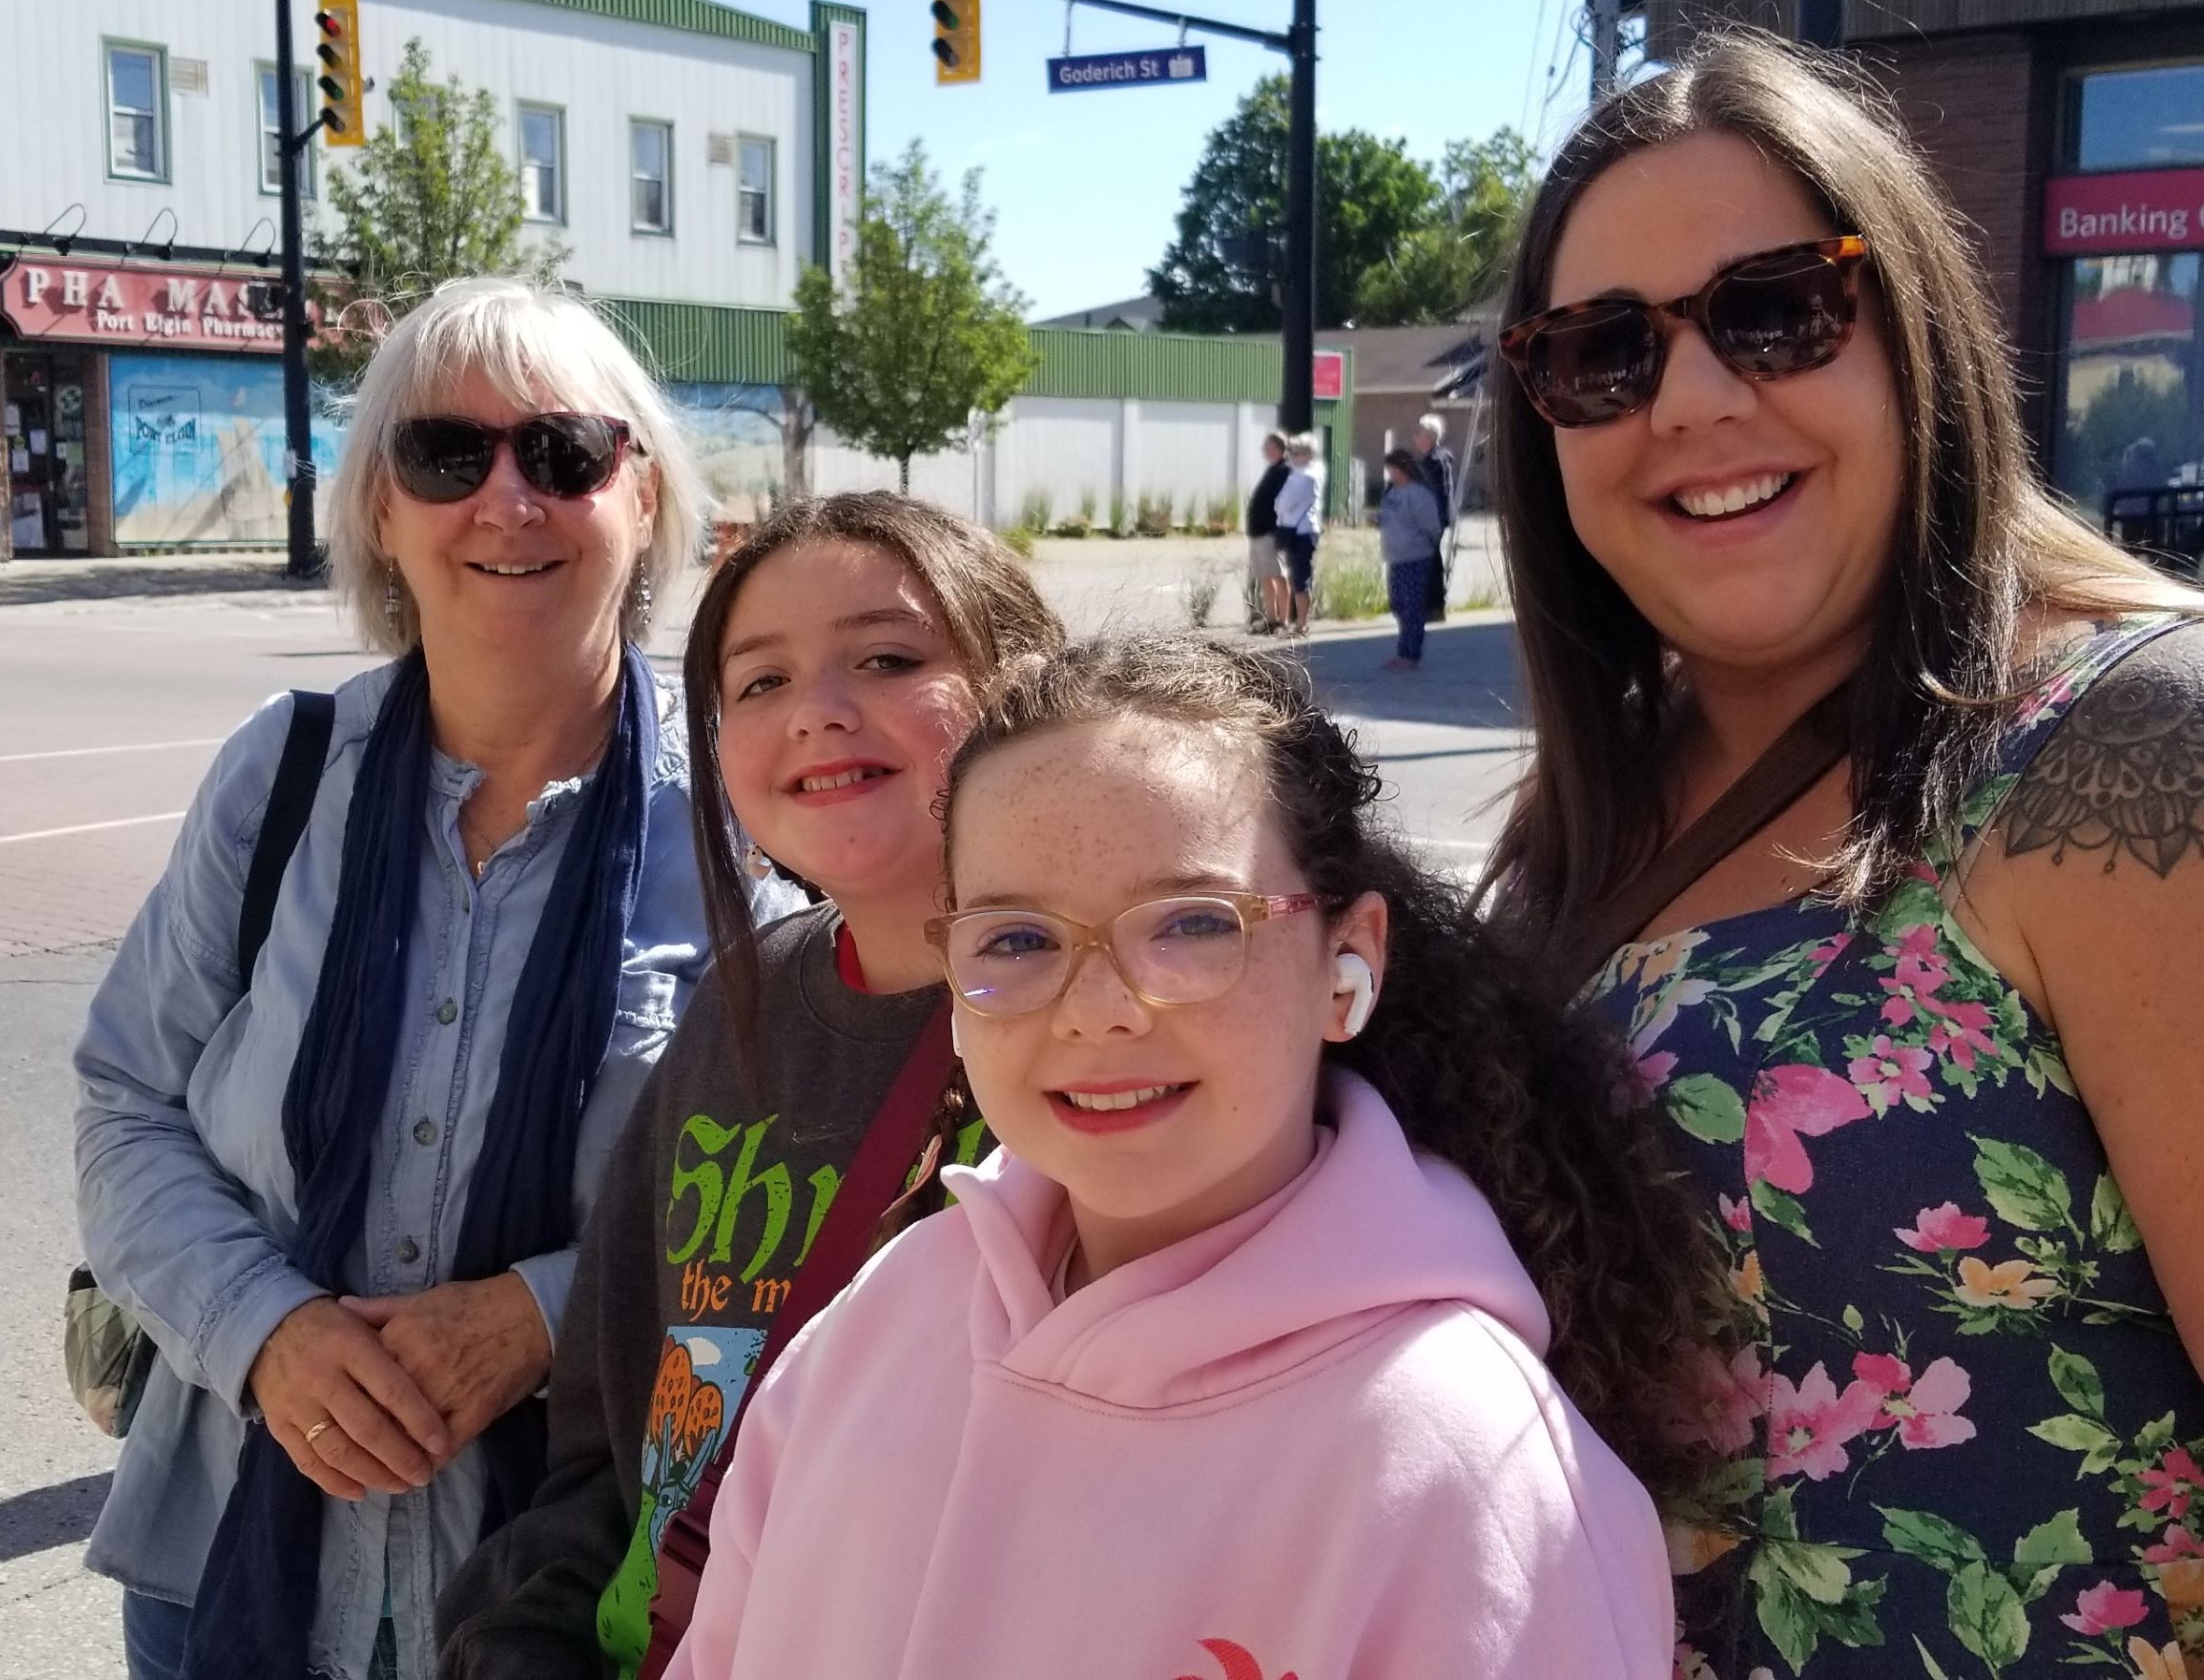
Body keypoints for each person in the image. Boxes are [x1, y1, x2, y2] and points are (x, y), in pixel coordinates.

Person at [1482, 30, 2204, 1677]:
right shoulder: (1590, 804)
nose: (1696, 400)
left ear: (1916, 336)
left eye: (1778, 308)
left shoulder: (2138, 744)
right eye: (1602, 356)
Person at [659, 634, 1705, 1678]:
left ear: (1351, 956)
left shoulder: (1464, 1469)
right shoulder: (877, 1324)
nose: (1100, 1010)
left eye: (1193, 925)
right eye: (1017, 939)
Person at [74, 278, 722, 1680]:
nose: (508, 499)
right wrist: (267, 1329)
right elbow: (126, 1097)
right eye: (445, 455)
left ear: (646, 497)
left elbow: (820, 1190)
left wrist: (545, 1314)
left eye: (563, 452)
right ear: (381, 508)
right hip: (227, 1566)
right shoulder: (282, 771)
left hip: (568, 1586)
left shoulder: (746, 822)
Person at [435, 492, 1064, 1680]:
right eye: (760, 682)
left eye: (887, 659)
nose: (819, 714)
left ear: (1023, 680)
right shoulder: (739, 1004)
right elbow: (605, 1440)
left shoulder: (1103, 1050)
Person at [1375, 449, 1441, 671]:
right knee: (1400, 606)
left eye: (1393, 468)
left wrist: (1423, 543)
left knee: (1413, 607)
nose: (1391, 473)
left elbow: (1431, 526)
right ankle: (1402, 650)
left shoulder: (1418, 494)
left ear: (1404, 469)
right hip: (1395, 557)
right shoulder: (1392, 493)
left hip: (1415, 556)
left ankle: (1411, 653)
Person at [1272, 432, 1325, 635]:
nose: (1290, 456)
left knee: (1300, 578)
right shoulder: (1307, 473)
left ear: (1306, 455)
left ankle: (1302, 623)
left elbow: (1282, 504)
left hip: (1301, 532)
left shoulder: (1304, 477)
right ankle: (1300, 621)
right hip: (1302, 529)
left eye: (1294, 452)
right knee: (1297, 576)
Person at [1412, 414, 1458, 618]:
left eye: (1419, 432)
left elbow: (1440, 493)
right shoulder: (1431, 460)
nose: (1415, 437)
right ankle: (1431, 605)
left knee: (1429, 562)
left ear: (1430, 436)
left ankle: (1434, 606)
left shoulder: (1435, 461)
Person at [1244, 431, 1291, 633]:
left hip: (1271, 533)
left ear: (1277, 448)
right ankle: (1270, 620)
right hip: (1258, 533)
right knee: (1265, 576)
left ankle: (1283, 620)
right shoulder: (1273, 470)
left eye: (1267, 446)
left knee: (1279, 577)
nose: (1264, 450)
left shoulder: (1285, 471)